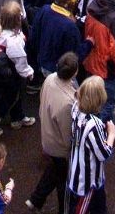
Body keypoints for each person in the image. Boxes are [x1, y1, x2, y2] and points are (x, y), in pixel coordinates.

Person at [27, 53, 78, 214]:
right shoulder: (68, 103)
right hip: (59, 147)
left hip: (47, 135)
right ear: (75, 72)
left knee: (54, 169)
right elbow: (66, 133)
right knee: (63, 180)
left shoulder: (50, 79)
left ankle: (36, 199)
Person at [66, 77, 115, 214]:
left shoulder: (76, 109)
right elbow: (104, 154)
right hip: (87, 182)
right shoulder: (94, 125)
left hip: (77, 172)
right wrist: (111, 134)